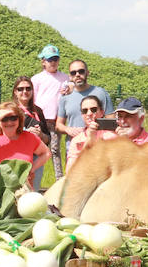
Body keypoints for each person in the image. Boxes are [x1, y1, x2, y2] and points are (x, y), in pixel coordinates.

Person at [0, 101, 49, 181]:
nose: (9, 122)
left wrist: (32, 169)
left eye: (13, 118)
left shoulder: (29, 137)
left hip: (21, 188)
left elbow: (46, 153)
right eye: (4, 119)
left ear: (19, 119)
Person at [30, 46, 71, 180]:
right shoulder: (36, 79)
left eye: (55, 59)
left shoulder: (65, 78)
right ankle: (30, 173)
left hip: (55, 119)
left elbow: (70, 91)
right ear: (43, 61)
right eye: (49, 60)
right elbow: (33, 98)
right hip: (40, 120)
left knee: (54, 149)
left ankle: (59, 178)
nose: (53, 62)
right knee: (34, 148)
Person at [56, 59, 114, 146]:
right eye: (73, 73)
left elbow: (111, 122)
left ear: (87, 72)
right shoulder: (65, 97)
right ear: (70, 77)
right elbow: (58, 125)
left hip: (98, 147)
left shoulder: (101, 93)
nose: (77, 75)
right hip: (74, 149)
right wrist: (68, 129)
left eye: (81, 71)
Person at [12, 75, 50, 189]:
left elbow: (48, 138)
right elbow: (4, 134)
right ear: (15, 92)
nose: (25, 91)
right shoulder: (11, 110)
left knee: (33, 192)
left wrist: (41, 135)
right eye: (21, 89)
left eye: (28, 88)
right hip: (16, 158)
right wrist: (26, 133)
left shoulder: (38, 111)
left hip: (36, 159)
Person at [65, 94, 117, 167]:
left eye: (93, 110)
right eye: (84, 111)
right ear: (82, 115)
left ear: (102, 112)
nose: (89, 113)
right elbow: (70, 169)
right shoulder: (76, 140)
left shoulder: (112, 137)